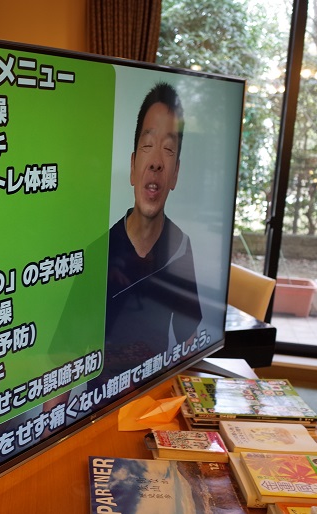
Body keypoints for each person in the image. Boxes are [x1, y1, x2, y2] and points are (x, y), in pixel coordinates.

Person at [103, 82, 202, 377]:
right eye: (147, 146)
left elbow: (188, 343)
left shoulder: (180, 246)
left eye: (168, 149)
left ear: (175, 174)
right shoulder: (99, 250)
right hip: (103, 397)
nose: (157, 162)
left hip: (155, 390)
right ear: (133, 167)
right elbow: (65, 359)